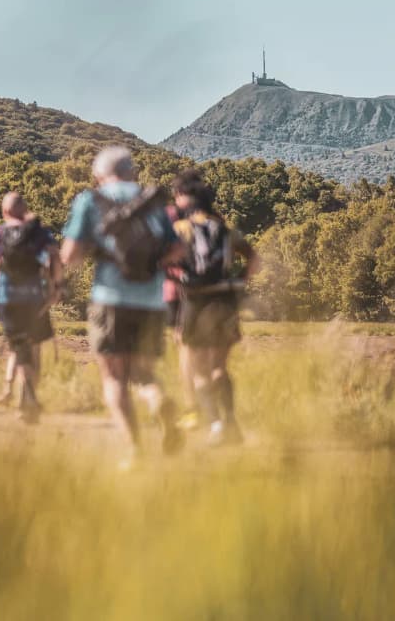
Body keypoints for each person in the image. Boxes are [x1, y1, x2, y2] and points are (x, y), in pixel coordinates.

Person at [61, 146, 186, 469]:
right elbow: (177, 250)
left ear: (99, 174)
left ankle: (134, 450)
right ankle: (160, 402)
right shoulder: (154, 202)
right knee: (143, 373)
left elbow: (70, 255)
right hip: (152, 301)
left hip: (110, 297)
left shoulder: (90, 200)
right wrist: (151, 262)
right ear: (132, 172)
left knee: (114, 377)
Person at [172, 177, 258, 447]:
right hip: (225, 299)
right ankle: (231, 422)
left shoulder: (181, 228)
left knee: (197, 369)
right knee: (219, 367)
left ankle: (215, 424)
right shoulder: (226, 229)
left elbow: (164, 261)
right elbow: (254, 259)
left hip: (195, 302)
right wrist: (242, 279)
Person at [0, 193, 62, 424]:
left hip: (7, 299)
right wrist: (56, 288)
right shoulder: (40, 233)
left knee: (20, 348)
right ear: (25, 211)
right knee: (32, 351)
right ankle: (28, 398)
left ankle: (27, 399)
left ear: (4, 212)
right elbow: (56, 261)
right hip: (34, 299)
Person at [166, 169, 204, 430]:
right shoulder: (211, 217)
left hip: (176, 288)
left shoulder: (171, 216)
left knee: (184, 348)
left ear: (178, 193)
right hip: (210, 290)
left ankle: (193, 409)